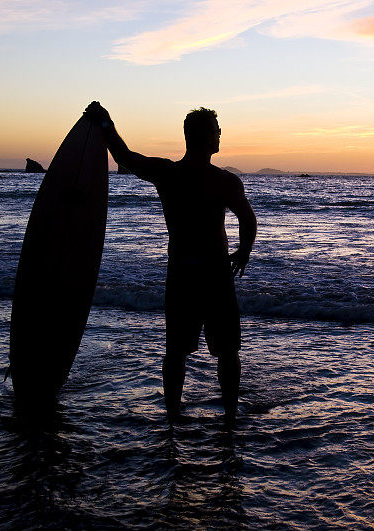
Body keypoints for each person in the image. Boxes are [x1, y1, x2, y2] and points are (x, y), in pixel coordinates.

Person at [84, 101, 257, 419]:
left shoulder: (168, 174)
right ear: (206, 138)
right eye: (217, 132)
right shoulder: (225, 181)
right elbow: (248, 220)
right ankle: (230, 418)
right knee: (227, 351)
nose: (220, 137)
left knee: (176, 351)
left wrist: (106, 123)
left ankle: (173, 418)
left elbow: (125, 157)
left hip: (181, 274)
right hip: (216, 276)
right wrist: (244, 251)